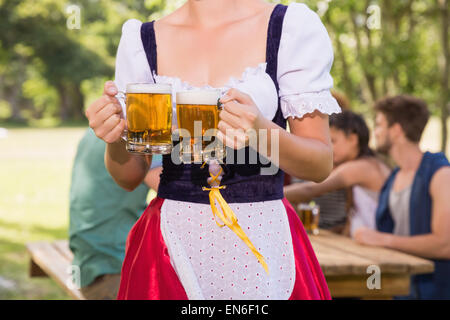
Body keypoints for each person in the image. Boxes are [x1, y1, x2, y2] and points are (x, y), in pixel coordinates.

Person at [85, 0, 342, 300]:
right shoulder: (142, 40)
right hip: (169, 244)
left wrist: (260, 132)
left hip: (264, 240)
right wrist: (114, 137)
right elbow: (129, 176)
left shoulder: (290, 27)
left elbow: (320, 163)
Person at [354, 95, 450, 299]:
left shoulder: (440, 173)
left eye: (379, 125)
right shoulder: (393, 178)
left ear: (396, 130)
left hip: (434, 291)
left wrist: (381, 239)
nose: (375, 132)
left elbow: (445, 244)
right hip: (399, 289)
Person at [69, 128, 162, 300]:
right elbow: (174, 190)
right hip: (114, 269)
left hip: (87, 263)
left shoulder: (98, 126)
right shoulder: (144, 128)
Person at [284, 110, 391, 237]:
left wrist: (273, 195)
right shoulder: (372, 162)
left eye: (333, 141)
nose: (329, 147)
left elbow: (310, 189)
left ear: (352, 139)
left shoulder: (360, 167)